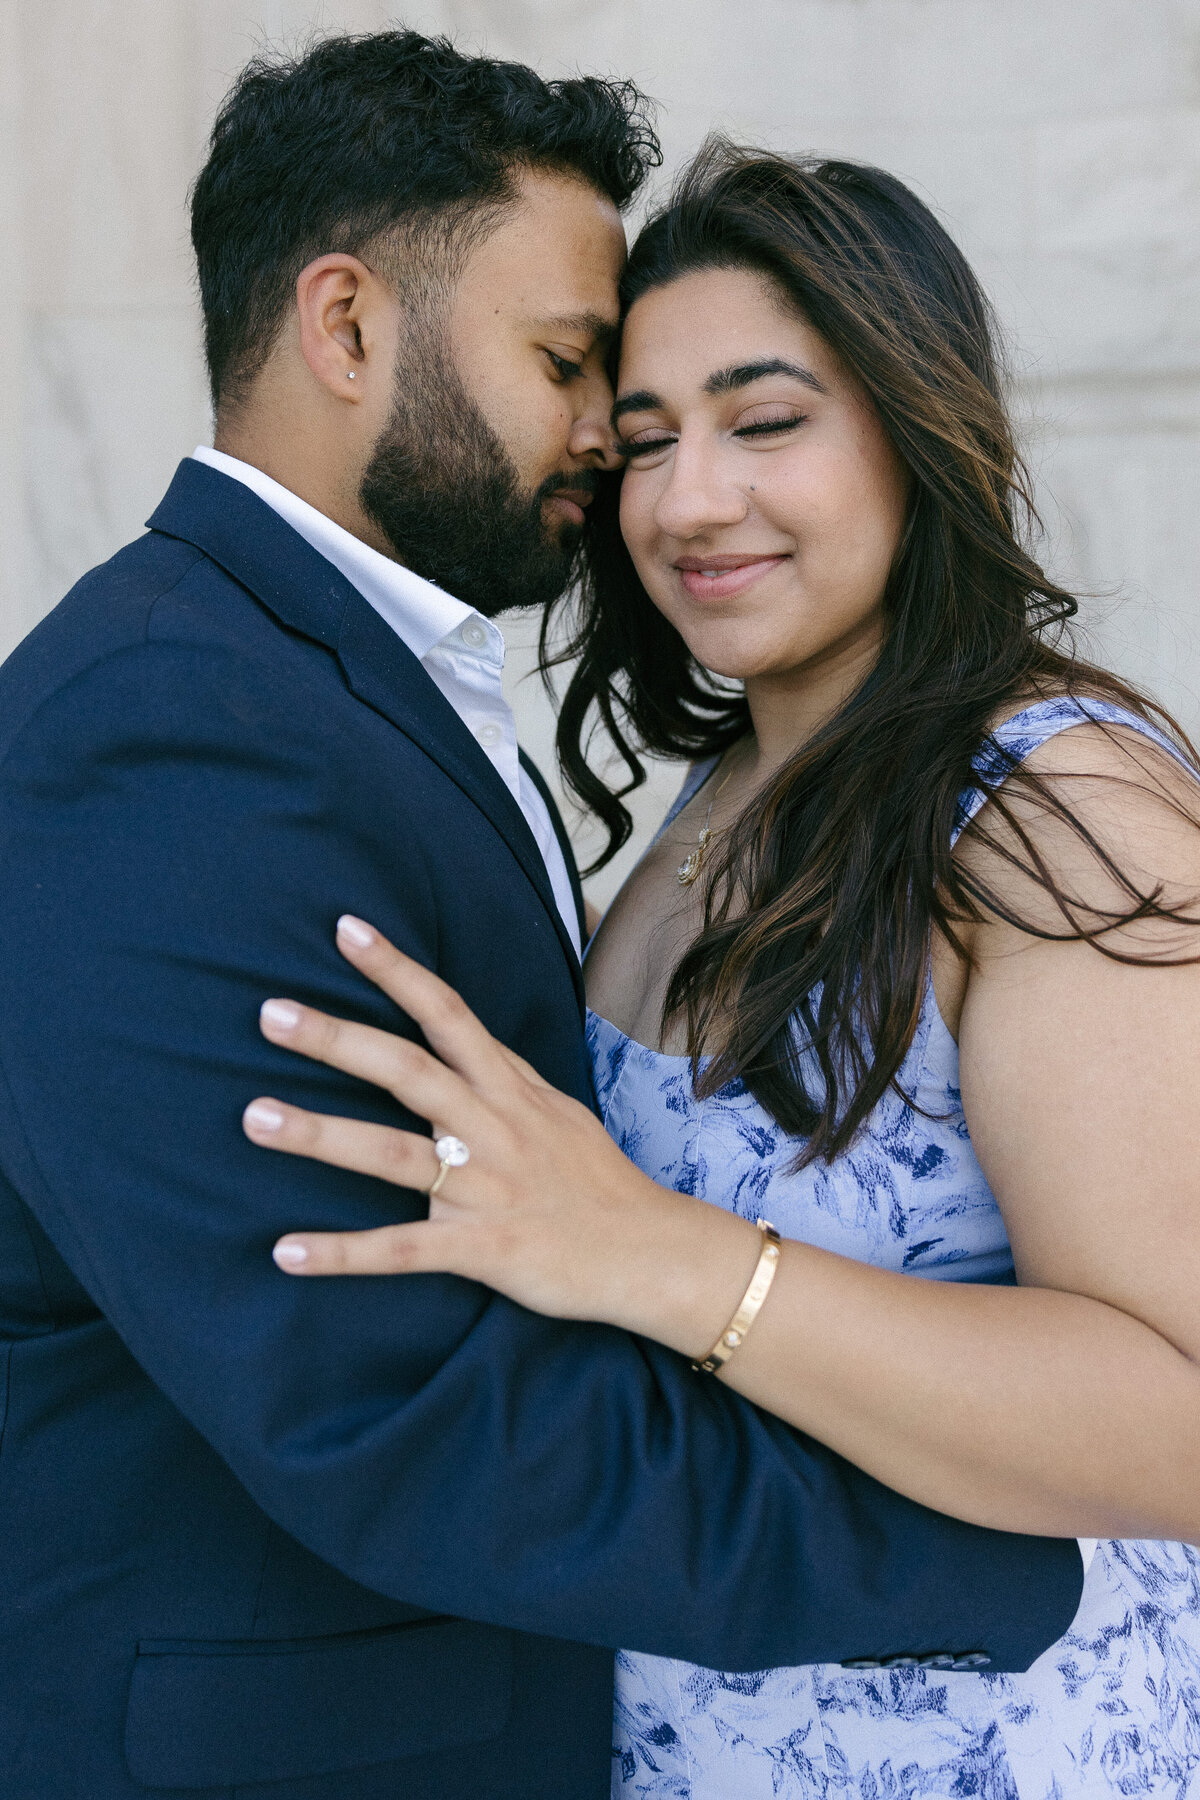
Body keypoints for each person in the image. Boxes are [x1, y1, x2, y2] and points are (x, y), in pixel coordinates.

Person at [0, 37, 1086, 1799]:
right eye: (579, 371)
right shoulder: (165, 728)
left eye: (754, 421)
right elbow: (388, 1399)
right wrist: (1017, 1559)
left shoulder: (332, 681)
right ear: (345, 327)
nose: (620, 453)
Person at [250, 145, 1200, 1796]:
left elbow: (1178, 1421)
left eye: (767, 423)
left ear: (918, 428)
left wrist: (668, 1260)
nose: (688, 502)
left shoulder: (1059, 804)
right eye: (641, 444)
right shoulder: (714, 806)